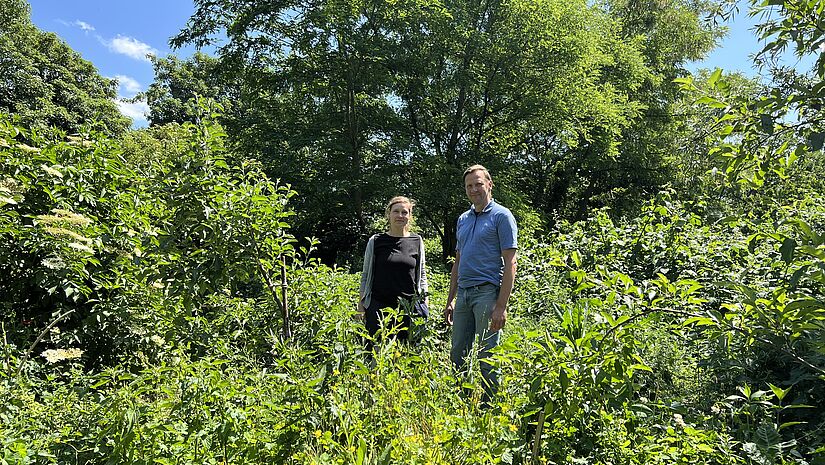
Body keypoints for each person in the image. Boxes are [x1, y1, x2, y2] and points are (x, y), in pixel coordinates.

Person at [444, 165, 517, 403]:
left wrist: (501, 306)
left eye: (478, 184)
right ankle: (460, 403)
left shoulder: (501, 216)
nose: (474, 189)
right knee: (457, 354)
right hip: (463, 295)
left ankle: (490, 410)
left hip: (487, 294)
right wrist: (450, 299)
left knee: (487, 355)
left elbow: (510, 263)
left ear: (489, 184)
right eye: (469, 186)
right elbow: (458, 260)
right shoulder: (463, 219)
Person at [358, 196, 429, 345]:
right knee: (376, 355)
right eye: (396, 211)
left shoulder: (417, 241)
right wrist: (362, 305)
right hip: (379, 307)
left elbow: (421, 274)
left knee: (406, 355)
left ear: (410, 216)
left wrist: (425, 304)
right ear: (388, 214)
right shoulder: (376, 241)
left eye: (404, 212)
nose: (400, 216)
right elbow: (366, 275)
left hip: (408, 309)